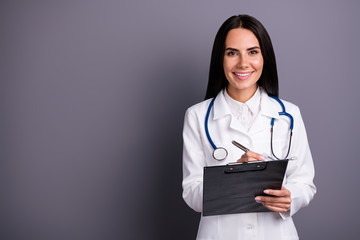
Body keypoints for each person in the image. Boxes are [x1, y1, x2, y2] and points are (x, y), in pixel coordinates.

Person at [182, 14, 316, 239]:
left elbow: (305, 183)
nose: (243, 63)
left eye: (252, 52)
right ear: (220, 59)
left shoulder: (289, 115)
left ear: (265, 57)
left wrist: (290, 197)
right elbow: (192, 193)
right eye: (232, 53)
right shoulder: (197, 116)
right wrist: (234, 174)